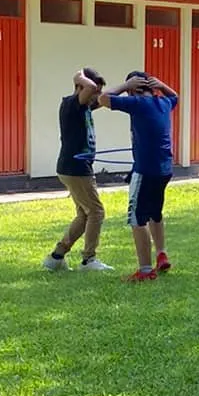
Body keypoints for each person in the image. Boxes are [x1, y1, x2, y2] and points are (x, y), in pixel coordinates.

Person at [98, 71, 179, 282]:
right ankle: (161, 254)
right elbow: (175, 96)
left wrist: (125, 86)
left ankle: (145, 270)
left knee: (137, 218)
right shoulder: (163, 103)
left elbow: (103, 98)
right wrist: (161, 84)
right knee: (155, 213)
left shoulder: (137, 103)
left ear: (134, 89)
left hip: (146, 169)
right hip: (164, 169)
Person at [43, 68, 112, 273]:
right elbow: (89, 87)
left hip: (74, 168)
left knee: (84, 214)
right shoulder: (71, 104)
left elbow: (107, 97)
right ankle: (88, 260)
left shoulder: (85, 107)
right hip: (76, 168)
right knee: (97, 212)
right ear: (80, 88)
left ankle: (56, 257)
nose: (95, 96)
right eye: (93, 91)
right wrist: (78, 76)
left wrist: (128, 86)